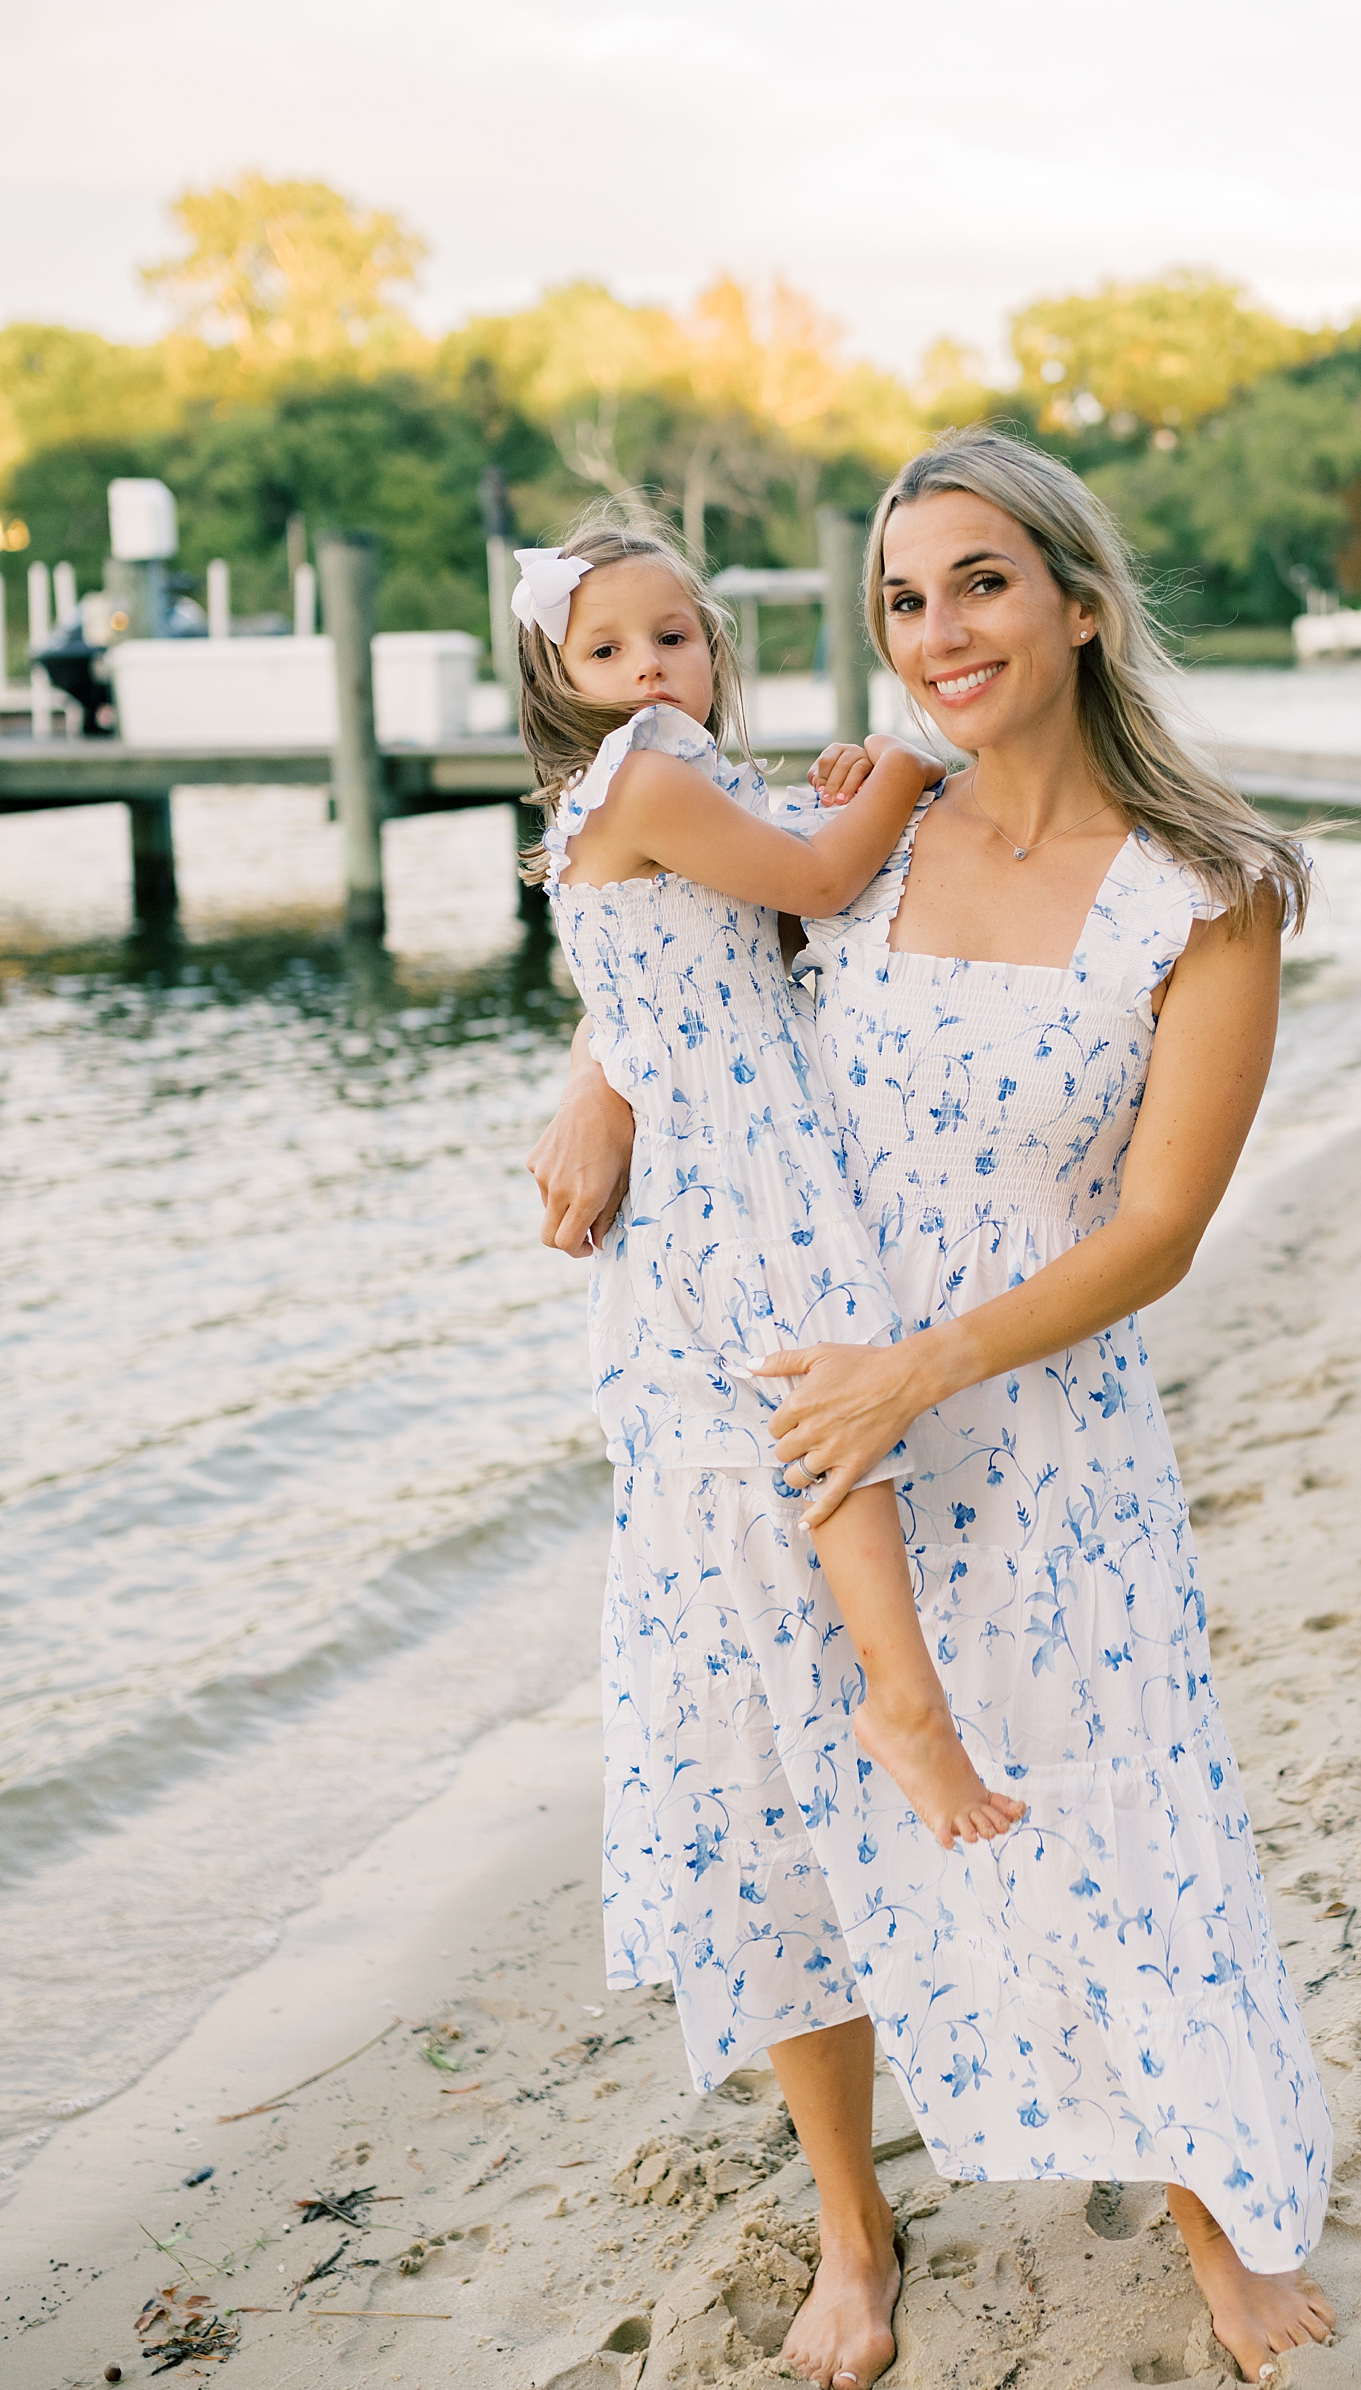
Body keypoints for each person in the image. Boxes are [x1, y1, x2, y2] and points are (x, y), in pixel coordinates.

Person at [528, 437, 1335, 2390]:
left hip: (1026, 1432)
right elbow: (684, 961)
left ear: (1074, 599)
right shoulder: (872, 827)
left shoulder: (1205, 892)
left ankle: (1212, 2208)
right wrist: (595, 1085)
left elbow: (1155, 1230)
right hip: (780, 1417)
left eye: (978, 583)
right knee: (783, 1810)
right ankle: (850, 2218)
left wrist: (929, 1363)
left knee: (1112, 1813)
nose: (937, 632)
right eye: (902, 599)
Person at [515, 517, 1028, 1907]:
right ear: (560, 673)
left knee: (829, 1389)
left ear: (714, 641)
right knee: (824, 1394)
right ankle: (903, 1702)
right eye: (606, 649)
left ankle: (897, 1695)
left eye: (671, 638)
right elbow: (816, 881)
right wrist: (913, 764)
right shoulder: (637, 779)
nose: (646, 670)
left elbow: (781, 902)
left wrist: (847, 789)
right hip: (723, 1153)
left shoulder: (681, 773)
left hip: (748, 1129)